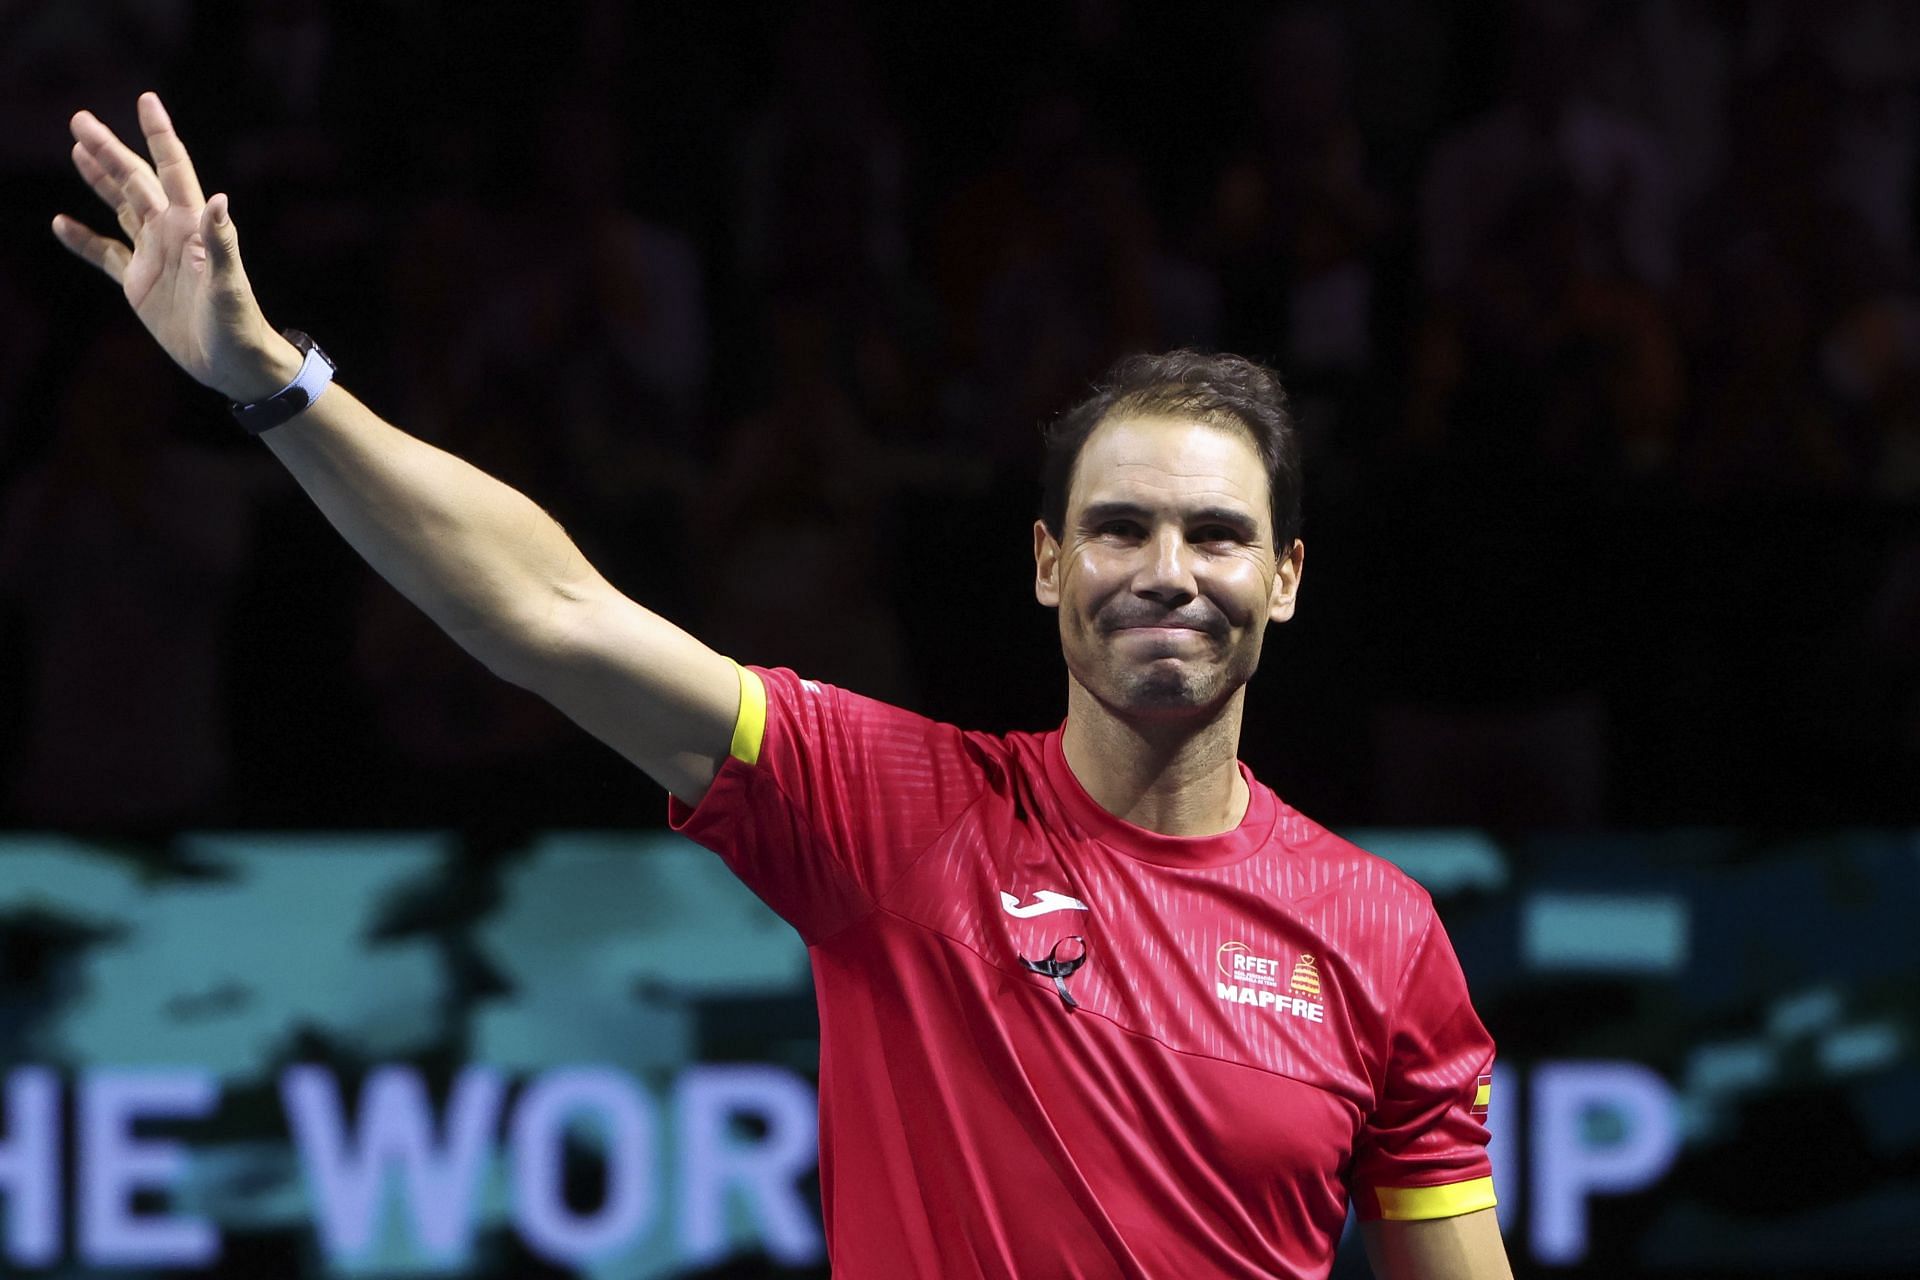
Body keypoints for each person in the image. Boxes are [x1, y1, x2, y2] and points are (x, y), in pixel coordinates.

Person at [54, 92, 1513, 1280]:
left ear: (1287, 578)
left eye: (1218, 534)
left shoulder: (1379, 938)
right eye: (1119, 527)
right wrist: (274, 384)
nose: (1168, 569)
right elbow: (551, 609)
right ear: (1049, 568)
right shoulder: (899, 815)